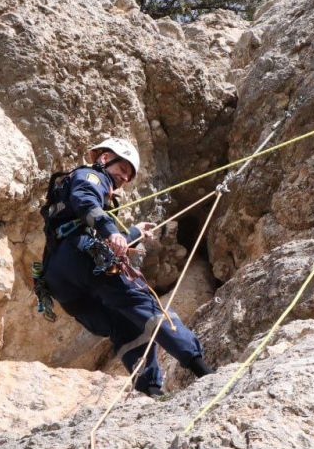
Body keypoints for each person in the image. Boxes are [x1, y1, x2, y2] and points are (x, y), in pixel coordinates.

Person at [40, 137, 214, 396]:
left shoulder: (70, 192)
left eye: (128, 177)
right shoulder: (91, 176)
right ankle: (202, 370)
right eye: (122, 169)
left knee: (125, 325)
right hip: (82, 256)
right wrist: (111, 231)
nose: (123, 178)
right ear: (104, 158)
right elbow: (86, 201)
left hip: (60, 277)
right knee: (144, 305)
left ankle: (150, 391)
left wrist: (132, 233)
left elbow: (83, 225)